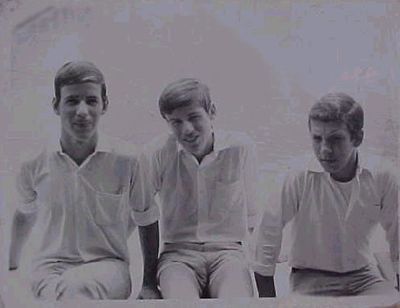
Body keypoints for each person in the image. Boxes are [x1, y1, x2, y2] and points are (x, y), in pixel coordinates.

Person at [8, 61, 161, 300]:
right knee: (56, 293)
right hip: (49, 269)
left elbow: (147, 218)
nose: (82, 111)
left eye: (91, 100)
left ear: (104, 105)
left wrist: (150, 284)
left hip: (110, 267)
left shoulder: (129, 159)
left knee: (76, 289)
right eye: (72, 100)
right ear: (56, 105)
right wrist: (11, 268)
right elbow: (24, 213)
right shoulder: (33, 161)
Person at [254, 93, 399, 297]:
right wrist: (267, 303)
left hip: (363, 277)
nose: (325, 149)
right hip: (310, 279)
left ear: (357, 138)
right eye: (317, 138)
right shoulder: (297, 176)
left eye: (335, 139)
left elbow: (398, 235)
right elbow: (267, 237)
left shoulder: (383, 176)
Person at [141, 78, 259, 299]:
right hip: (177, 257)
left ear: (211, 112)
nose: (187, 129)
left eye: (194, 117)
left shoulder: (240, 148)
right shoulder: (157, 152)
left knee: (237, 300)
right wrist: (148, 283)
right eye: (175, 122)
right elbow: (144, 215)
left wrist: (265, 287)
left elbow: (253, 217)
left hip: (228, 253)